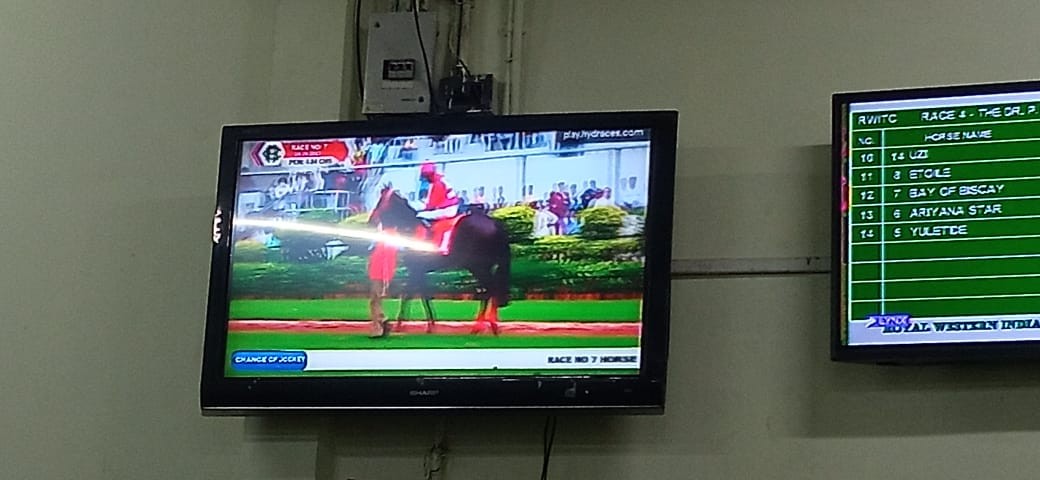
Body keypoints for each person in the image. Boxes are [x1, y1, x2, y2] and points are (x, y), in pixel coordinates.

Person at [415, 161, 460, 254]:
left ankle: (429, 242)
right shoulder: (441, 179)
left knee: (419, 216)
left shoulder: (437, 184)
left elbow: (431, 204)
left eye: (425, 176)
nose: (425, 179)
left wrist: (420, 209)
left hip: (447, 209)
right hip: (450, 207)